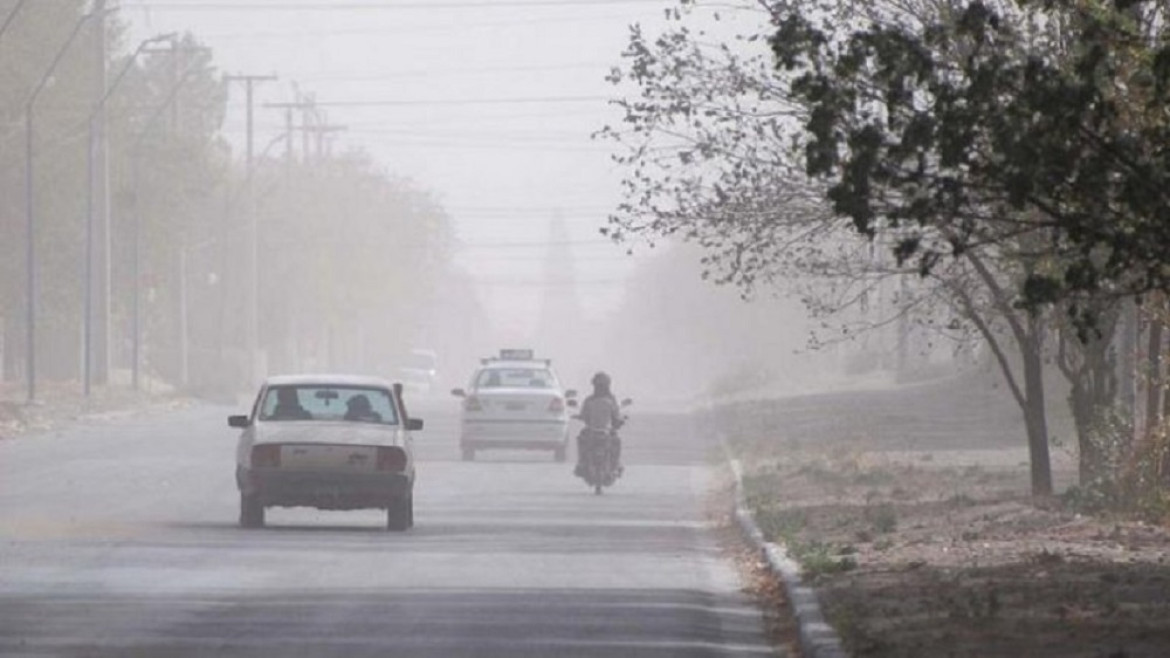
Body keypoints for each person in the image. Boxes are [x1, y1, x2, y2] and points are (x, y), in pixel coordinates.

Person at [574, 371, 624, 478]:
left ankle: (582, 463)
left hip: (596, 431)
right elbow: (616, 416)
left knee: (582, 440)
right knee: (616, 441)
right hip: (602, 431)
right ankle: (615, 465)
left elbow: (583, 415)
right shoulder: (610, 400)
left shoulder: (590, 400)